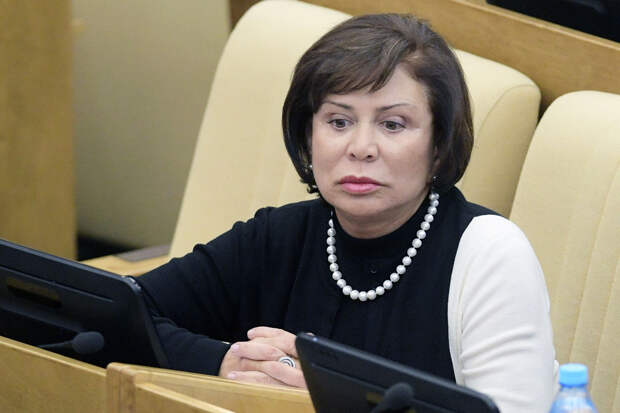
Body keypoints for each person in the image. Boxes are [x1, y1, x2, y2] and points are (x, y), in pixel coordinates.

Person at [136, 13, 557, 412]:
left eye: (392, 124)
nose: (361, 148)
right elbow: (120, 315)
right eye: (338, 121)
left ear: (439, 146)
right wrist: (225, 363)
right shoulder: (278, 236)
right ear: (309, 135)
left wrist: (332, 398)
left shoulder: (490, 256)